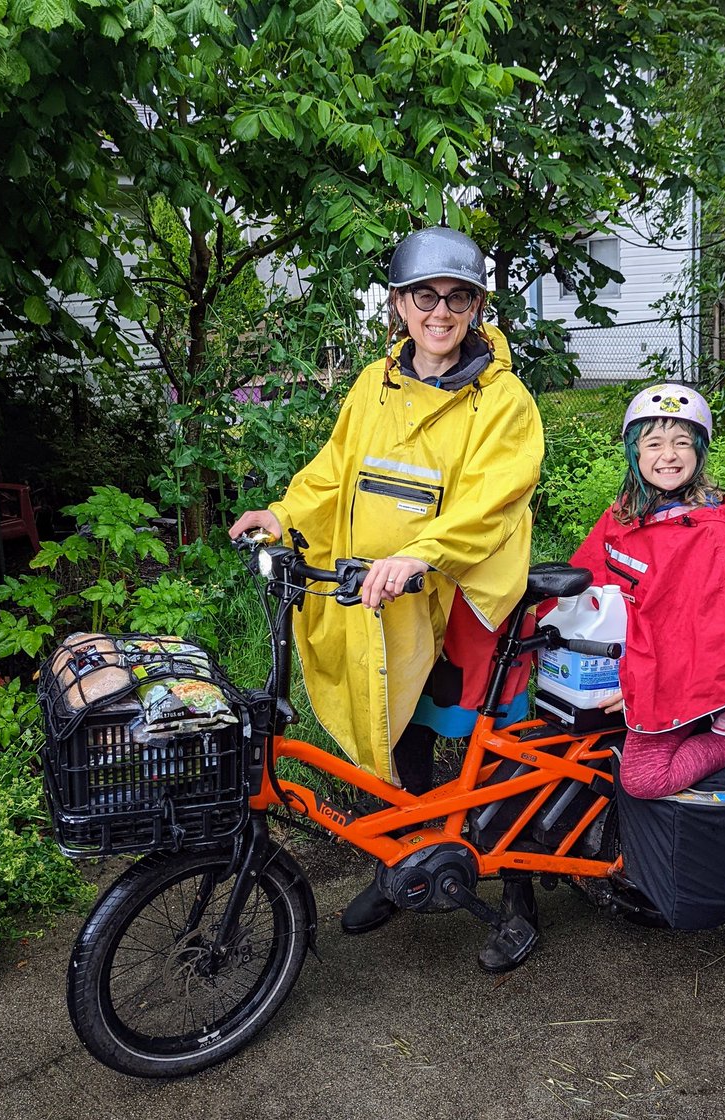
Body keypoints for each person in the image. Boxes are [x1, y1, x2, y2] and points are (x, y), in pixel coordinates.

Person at [228, 226, 544, 967]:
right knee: (397, 732)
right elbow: (336, 468)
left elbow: (494, 501)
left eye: (459, 296)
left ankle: (521, 902)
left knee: (496, 752)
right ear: (398, 304)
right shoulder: (376, 381)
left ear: (476, 306)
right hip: (387, 596)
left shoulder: (504, 401)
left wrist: (420, 555)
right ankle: (397, 865)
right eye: (426, 296)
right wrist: (284, 514)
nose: (442, 311)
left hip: (466, 594)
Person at [561, 381, 725, 803]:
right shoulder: (626, 514)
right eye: (654, 443)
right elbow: (586, 575)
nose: (669, 455)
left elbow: (700, 637)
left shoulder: (707, 535)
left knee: (645, 779)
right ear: (634, 451)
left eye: (683, 442)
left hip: (667, 676)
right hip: (625, 661)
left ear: (699, 451)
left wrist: (633, 689)